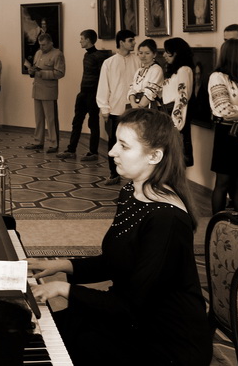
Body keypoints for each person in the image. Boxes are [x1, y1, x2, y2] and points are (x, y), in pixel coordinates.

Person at [29, 108, 212, 366]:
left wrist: (63, 288)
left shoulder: (167, 220)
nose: (112, 152)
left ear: (154, 156)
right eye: (116, 142)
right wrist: (60, 265)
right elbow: (117, 260)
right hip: (131, 317)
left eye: (124, 146)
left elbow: (132, 305)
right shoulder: (131, 192)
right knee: (39, 332)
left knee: (56, 342)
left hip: (165, 340)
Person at [208, 38, 238, 214]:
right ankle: (217, 221)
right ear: (237, 54)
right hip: (227, 133)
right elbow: (224, 109)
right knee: (223, 181)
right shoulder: (217, 77)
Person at [96, 29, 139, 184]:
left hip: (134, 109)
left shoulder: (138, 61)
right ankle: (114, 174)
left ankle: (134, 174)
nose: (134, 43)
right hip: (115, 110)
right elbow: (103, 86)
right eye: (130, 40)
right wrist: (104, 108)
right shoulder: (109, 63)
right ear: (121, 42)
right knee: (114, 142)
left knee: (134, 142)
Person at [59, 30, 109, 161]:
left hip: (93, 94)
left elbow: (102, 78)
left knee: (93, 123)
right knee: (76, 122)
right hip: (83, 93)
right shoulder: (86, 55)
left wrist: (99, 95)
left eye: (82, 39)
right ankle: (71, 150)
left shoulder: (99, 56)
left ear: (88, 40)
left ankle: (93, 152)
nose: (80, 41)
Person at [24, 33, 65, 153]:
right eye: (40, 44)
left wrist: (42, 73)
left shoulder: (57, 54)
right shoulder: (38, 53)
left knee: (51, 119)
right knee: (39, 119)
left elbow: (60, 73)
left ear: (51, 43)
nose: (41, 47)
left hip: (49, 91)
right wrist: (31, 71)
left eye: (44, 45)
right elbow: (35, 68)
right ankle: (38, 142)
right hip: (37, 89)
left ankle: (54, 143)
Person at [162, 37, 195, 167]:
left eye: (167, 52)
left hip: (175, 116)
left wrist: (176, 123)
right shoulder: (176, 71)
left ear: (176, 53)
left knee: (177, 155)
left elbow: (182, 97)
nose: (164, 55)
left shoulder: (184, 70)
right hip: (168, 113)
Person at [127, 38, 163, 110]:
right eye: (141, 53)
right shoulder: (139, 70)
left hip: (149, 107)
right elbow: (132, 89)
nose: (143, 56)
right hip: (136, 106)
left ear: (154, 54)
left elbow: (151, 92)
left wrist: (139, 107)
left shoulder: (156, 69)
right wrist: (133, 104)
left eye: (147, 53)